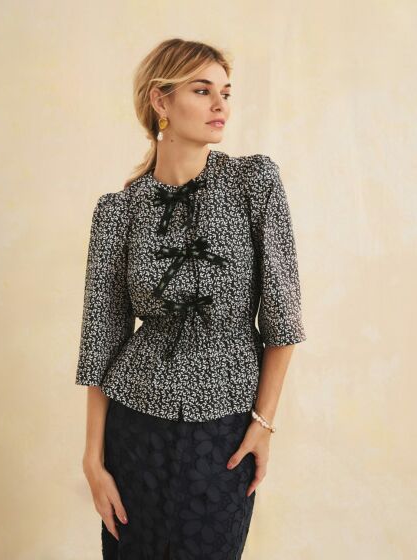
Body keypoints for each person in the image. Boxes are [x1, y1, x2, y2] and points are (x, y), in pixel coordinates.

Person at [75, 38, 307, 560]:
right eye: (202, 91)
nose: (221, 104)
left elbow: (283, 317)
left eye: (225, 92)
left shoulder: (253, 182)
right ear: (161, 100)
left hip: (225, 429)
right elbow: (101, 337)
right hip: (134, 426)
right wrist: (92, 458)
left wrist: (263, 425)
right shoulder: (118, 210)